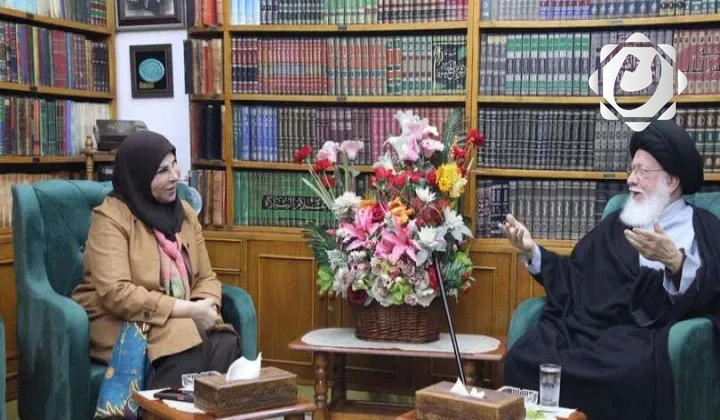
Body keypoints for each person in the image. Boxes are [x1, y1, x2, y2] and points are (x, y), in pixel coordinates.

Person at [500, 119, 720, 420]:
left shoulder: (703, 229)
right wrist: (531, 251)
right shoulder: (618, 224)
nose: (631, 180)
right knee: (525, 356)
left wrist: (676, 264)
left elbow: (713, 293)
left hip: (642, 335)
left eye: (642, 172)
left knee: (628, 373)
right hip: (587, 329)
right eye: (632, 170)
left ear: (672, 181)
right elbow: (575, 276)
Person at [71, 130, 241, 389]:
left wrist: (202, 307)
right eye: (162, 171)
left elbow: (206, 277)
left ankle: (208, 409)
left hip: (180, 318)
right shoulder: (110, 218)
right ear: (139, 176)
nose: (175, 176)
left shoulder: (185, 213)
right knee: (185, 339)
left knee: (224, 341)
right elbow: (117, 293)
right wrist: (187, 311)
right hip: (124, 321)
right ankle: (160, 409)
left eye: (174, 164)